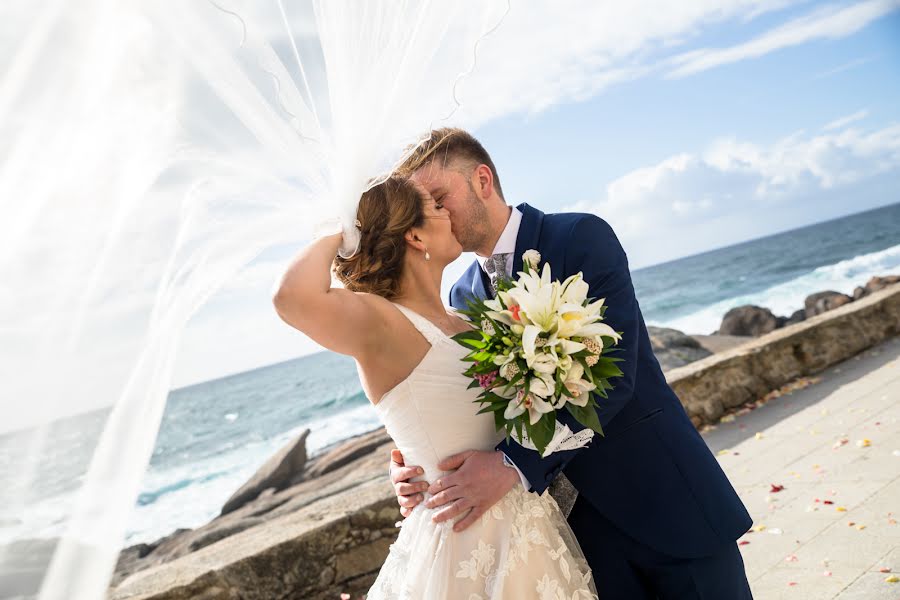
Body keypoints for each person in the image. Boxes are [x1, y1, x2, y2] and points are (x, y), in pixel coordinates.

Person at [389, 128, 754, 599]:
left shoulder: (578, 237)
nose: (435, 216)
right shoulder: (461, 297)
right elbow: (472, 409)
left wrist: (510, 467)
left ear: (482, 180)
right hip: (574, 541)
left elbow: (615, 375)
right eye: (426, 209)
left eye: (440, 197)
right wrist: (414, 468)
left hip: (663, 501)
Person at [272, 177, 598, 598]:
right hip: (461, 549)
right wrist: (342, 226)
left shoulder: (472, 319)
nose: (449, 214)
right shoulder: (384, 324)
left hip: (528, 534)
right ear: (414, 235)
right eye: (437, 207)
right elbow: (290, 298)